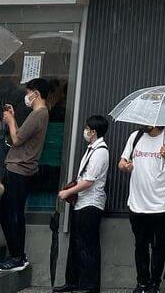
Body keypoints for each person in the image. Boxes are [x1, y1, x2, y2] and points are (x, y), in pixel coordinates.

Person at [0, 77, 51, 274]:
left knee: (13, 213)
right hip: (18, 168)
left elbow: (16, 139)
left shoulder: (39, 114)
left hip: (20, 169)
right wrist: (13, 119)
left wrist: (10, 120)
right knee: (6, 213)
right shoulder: (38, 114)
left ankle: (17, 256)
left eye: (28, 92)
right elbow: (20, 136)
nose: (27, 96)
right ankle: (17, 254)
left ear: (36, 93)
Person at [119, 123, 165, 293]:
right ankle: (142, 282)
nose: (143, 122)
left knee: (157, 245)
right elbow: (122, 161)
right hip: (136, 203)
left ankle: (155, 283)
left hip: (159, 204)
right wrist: (125, 166)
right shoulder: (135, 136)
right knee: (140, 245)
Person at [54, 115, 111, 293]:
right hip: (82, 203)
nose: (85, 131)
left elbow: (88, 181)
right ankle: (73, 282)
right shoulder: (92, 149)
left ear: (93, 131)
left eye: (87, 128)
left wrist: (67, 192)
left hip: (91, 204)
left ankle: (89, 285)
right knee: (76, 245)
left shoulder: (101, 151)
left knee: (88, 246)